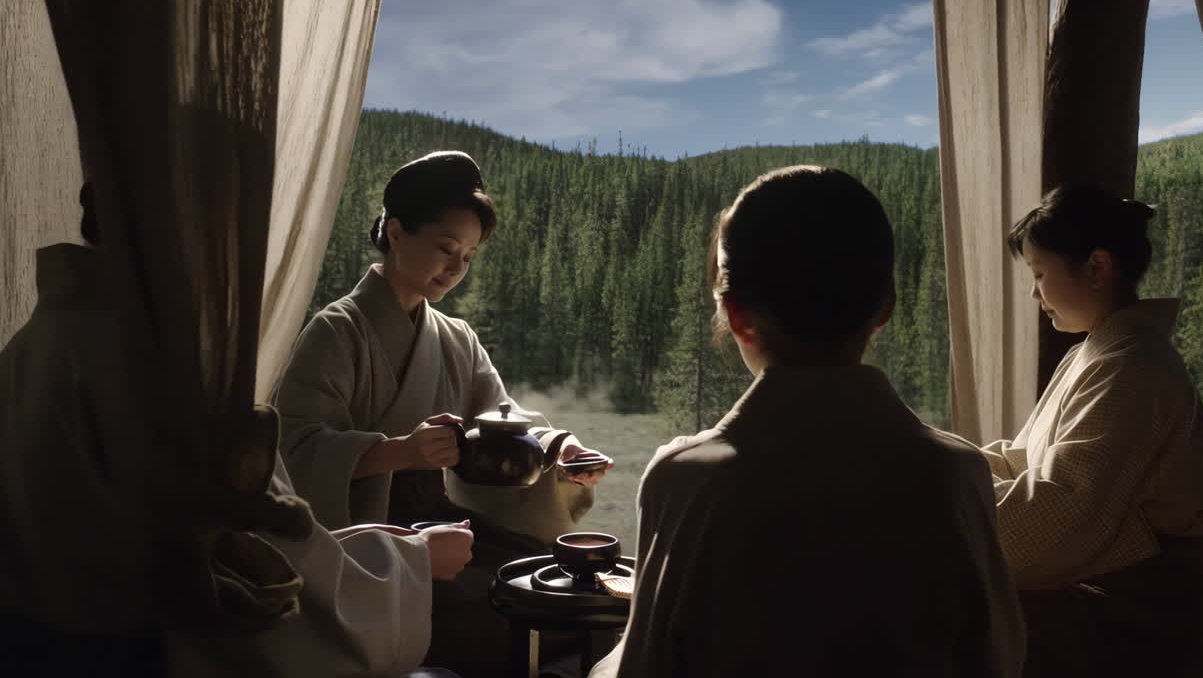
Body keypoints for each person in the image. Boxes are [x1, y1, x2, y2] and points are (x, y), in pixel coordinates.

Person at [0, 183, 474, 677]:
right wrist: (414, 560)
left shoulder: (32, 348)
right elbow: (273, 585)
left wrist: (352, 541)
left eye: (469, 255)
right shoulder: (164, 375)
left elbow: (235, 534)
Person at [591, 166, 1025, 677]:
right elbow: (997, 658)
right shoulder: (957, 473)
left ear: (736, 316)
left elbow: (646, 668)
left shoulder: (687, 479)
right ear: (884, 307)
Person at [273, 150, 611, 674]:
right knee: (499, 613)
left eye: (470, 257)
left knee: (554, 587)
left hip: (445, 523)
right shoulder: (335, 331)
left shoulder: (456, 337)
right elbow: (292, 451)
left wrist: (560, 449)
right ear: (397, 232)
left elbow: (502, 417)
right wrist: (397, 452)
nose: (457, 267)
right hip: (370, 546)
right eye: (447, 248)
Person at [984, 184, 1203, 677]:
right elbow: (1027, 460)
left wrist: (948, 492)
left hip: (1143, 618)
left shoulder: (1135, 366)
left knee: (946, 614)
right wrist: (946, 462)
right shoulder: (1096, 353)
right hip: (1120, 598)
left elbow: (1060, 513)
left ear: (1097, 267)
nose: (1035, 294)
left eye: (1039, 275)